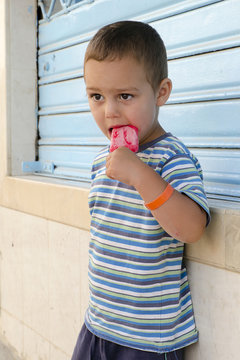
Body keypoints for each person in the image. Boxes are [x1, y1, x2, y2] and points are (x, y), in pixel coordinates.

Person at [71, 20, 210, 360]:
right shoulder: (101, 161)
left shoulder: (171, 157)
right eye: (97, 97)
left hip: (147, 338)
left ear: (161, 91)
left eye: (125, 96)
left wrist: (140, 175)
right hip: (98, 324)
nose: (110, 111)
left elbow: (191, 229)